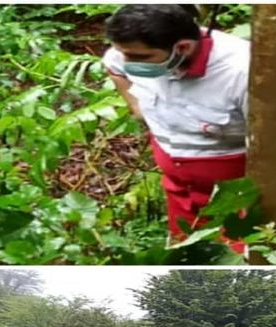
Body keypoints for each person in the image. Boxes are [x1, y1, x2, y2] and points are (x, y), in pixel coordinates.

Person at [103, 5, 249, 239]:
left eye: (139, 57)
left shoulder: (241, 71)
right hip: (178, 190)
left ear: (182, 47)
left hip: (236, 196)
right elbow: (115, 66)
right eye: (123, 53)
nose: (128, 62)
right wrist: (136, 106)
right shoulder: (127, 53)